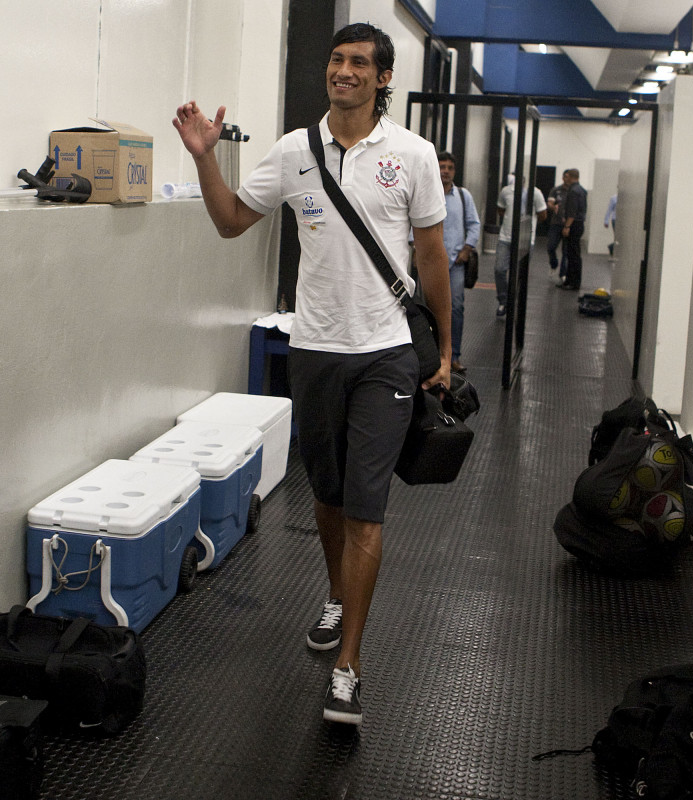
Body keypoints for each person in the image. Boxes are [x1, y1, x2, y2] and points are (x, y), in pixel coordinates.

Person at [173, 22, 453, 727]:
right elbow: (233, 220)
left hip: (386, 353)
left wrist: (446, 351)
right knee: (327, 499)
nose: (345, 71)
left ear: (383, 78)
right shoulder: (294, 152)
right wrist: (208, 159)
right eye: (337, 60)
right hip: (315, 350)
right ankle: (337, 594)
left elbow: (432, 258)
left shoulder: (413, 156)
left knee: (365, 508)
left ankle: (348, 665)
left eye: (360, 63)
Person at [419, 152, 479, 370]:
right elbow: (412, 225)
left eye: (449, 167)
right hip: (429, 265)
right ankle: (430, 356)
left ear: (454, 171)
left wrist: (467, 248)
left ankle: (453, 356)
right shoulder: (425, 193)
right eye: (441, 166)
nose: (445, 171)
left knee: (455, 309)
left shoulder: (464, 197)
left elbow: (474, 224)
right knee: (425, 309)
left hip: (455, 265)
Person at [494, 175, 548, 317]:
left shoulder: (535, 193)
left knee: (519, 273)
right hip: (506, 237)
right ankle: (504, 300)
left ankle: (514, 302)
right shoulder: (506, 191)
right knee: (499, 269)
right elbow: (500, 209)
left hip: (525, 240)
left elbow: (543, 214)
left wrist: (531, 222)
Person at [558, 168, 589, 290]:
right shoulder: (582, 190)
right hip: (579, 224)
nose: (565, 179)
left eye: (567, 176)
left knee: (572, 255)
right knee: (573, 254)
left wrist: (567, 226)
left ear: (570, 177)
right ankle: (571, 281)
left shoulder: (573, 191)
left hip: (573, 225)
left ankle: (573, 282)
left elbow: (572, 211)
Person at [545, 180, 569, 278]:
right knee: (551, 246)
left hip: (567, 224)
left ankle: (563, 273)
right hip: (556, 223)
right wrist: (552, 206)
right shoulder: (556, 190)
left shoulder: (573, 191)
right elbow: (549, 203)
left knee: (566, 250)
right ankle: (553, 264)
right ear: (563, 178)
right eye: (566, 177)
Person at [604, 192, 617, 258]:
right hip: (615, 220)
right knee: (617, 237)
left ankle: (611, 247)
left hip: (621, 220)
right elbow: (609, 210)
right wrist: (606, 221)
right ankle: (612, 249)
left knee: (619, 238)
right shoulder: (614, 198)